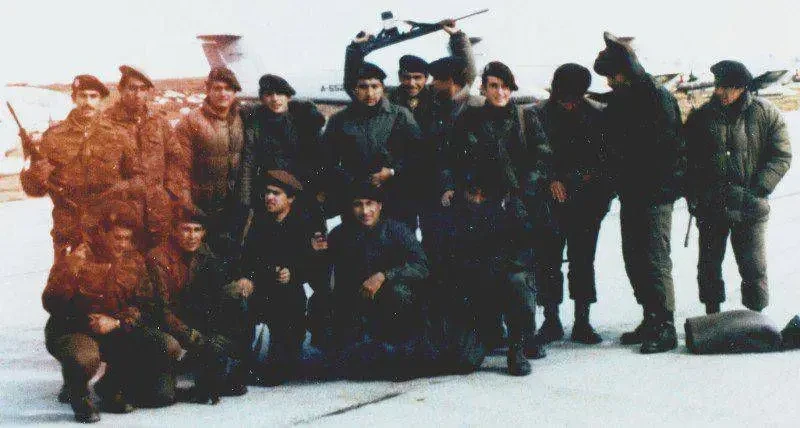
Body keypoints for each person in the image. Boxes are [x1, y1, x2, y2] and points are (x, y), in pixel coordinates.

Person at [42, 201, 178, 423]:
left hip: (114, 328)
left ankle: (112, 386)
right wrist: (69, 270)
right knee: (84, 358)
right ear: (103, 234)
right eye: (117, 238)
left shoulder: (134, 261)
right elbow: (51, 303)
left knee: (165, 346)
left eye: (127, 239)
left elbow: (145, 305)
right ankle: (79, 395)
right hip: (75, 330)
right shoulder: (78, 257)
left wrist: (116, 323)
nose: (123, 244)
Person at [593, 32, 685, 353]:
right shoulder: (624, 98)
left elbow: (666, 150)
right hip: (632, 194)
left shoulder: (657, 99)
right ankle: (650, 317)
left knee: (654, 259)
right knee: (634, 258)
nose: (609, 82)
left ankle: (665, 326)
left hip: (655, 195)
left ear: (626, 71)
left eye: (612, 76)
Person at [685, 60, 791, 314]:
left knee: (754, 267)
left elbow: (781, 155)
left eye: (728, 87)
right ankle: (712, 314)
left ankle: (756, 316)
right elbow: (686, 160)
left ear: (742, 87)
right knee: (709, 266)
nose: (720, 92)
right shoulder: (701, 117)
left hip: (750, 206)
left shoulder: (765, 113)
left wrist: (759, 188)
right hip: (711, 206)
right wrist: (695, 196)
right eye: (718, 86)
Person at [524, 64, 613, 345]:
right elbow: (534, 155)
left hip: (587, 202)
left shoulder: (598, 115)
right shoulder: (537, 114)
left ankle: (582, 321)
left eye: (574, 98)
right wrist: (550, 179)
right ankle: (551, 320)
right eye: (564, 98)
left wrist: (593, 190)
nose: (569, 104)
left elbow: (604, 158)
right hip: (550, 203)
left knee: (583, 261)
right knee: (548, 261)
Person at [20, 75, 142, 262]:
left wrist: (118, 191)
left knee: (112, 278)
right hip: (69, 229)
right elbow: (35, 190)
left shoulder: (119, 135)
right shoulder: (53, 137)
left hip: (108, 229)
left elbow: (138, 179)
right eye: (83, 96)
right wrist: (35, 176)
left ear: (101, 100)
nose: (87, 102)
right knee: (66, 278)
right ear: (74, 98)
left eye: (93, 96)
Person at [429, 171, 536, 376]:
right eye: (472, 194)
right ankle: (486, 334)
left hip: (501, 281)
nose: (477, 200)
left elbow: (524, 253)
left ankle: (518, 346)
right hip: (471, 291)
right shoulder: (451, 218)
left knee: (518, 281)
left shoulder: (507, 213)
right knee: (465, 361)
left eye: (483, 195)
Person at [323, 183, 430, 379]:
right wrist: (316, 254)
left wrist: (384, 276)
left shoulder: (397, 230)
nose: (365, 211)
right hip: (357, 301)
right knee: (319, 305)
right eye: (358, 205)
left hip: (392, 300)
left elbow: (421, 266)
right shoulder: (339, 235)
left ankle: (400, 352)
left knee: (398, 294)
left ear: (379, 205)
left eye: (369, 203)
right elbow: (325, 277)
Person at [147, 203, 248, 404]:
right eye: (186, 229)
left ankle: (214, 374)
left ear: (204, 232)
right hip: (163, 326)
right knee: (163, 396)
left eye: (197, 230)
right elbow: (161, 310)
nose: (192, 236)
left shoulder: (203, 252)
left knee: (233, 299)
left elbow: (215, 292)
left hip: (189, 318)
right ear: (174, 231)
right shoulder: (158, 258)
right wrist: (194, 337)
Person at [233, 170, 322, 385]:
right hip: (261, 288)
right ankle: (240, 361)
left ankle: (281, 361)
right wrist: (246, 278)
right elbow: (246, 257)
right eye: (267, 193)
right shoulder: (258, 222)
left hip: (288, 293)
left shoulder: (305, 225)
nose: (269, 198)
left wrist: (294, 273)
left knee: (280, 365)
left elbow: (316, 264)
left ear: (290, 199)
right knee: (237, 302)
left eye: (276, 193)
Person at [325, 39, 422, 227]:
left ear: (382, 88)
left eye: (375, 86)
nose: (370, 93)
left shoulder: (400, 116)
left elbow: (418, 153)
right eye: (363, 87)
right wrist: (353, 180)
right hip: (357, 200)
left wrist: (392, 171)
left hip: (395, 197)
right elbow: (328, 160)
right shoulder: (340, 120)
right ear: (355, 89)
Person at [166, 67, 247, 261]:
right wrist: (188, 206)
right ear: (208, 90)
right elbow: (179, 166)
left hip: (232, 207)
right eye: (217, 88)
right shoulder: (191, 121)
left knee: (229, 258)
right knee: (200, 260)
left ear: (235, 92)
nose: (223, 94)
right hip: (201, 208)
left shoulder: (242, 118)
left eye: (228, 89)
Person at [104, 65, 173, 249]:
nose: (138, 94)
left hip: (159, 214)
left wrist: (168, 195)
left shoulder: (159, 122)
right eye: (132, 88)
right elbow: (102, 175)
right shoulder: (106, 123)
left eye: (143, 89)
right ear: (120, 90)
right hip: (124, 217)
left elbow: (176, 161)